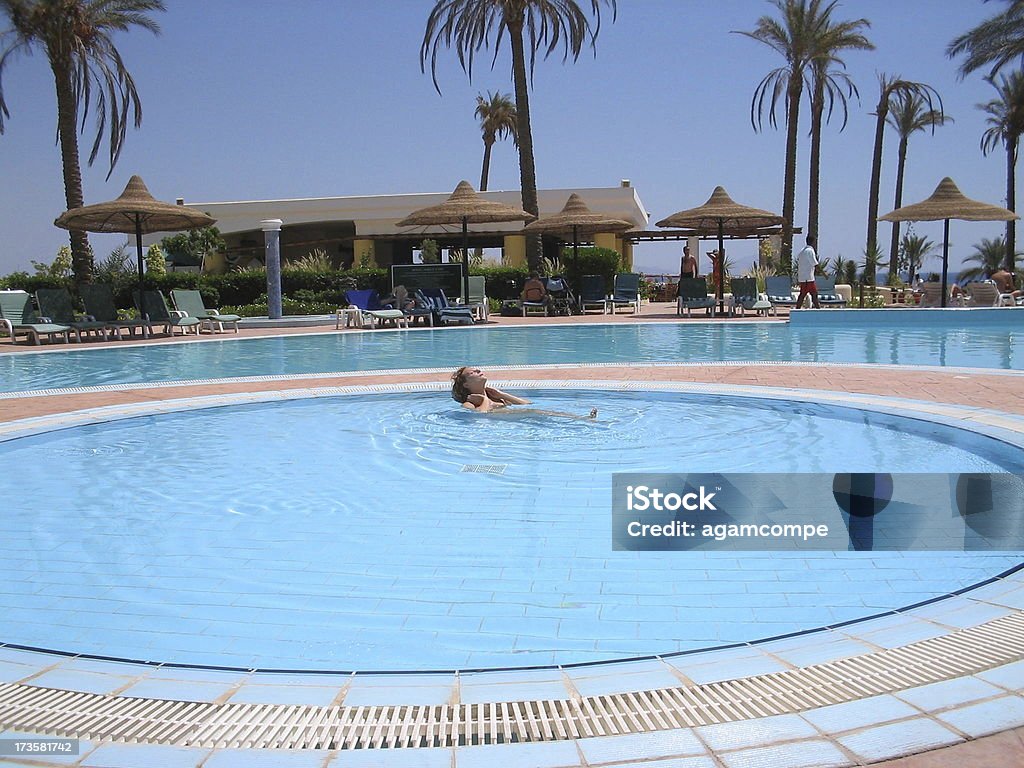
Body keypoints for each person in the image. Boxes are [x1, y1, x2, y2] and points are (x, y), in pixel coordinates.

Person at [451, 367, 597, 418]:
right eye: (472, 372)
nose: (478, 371)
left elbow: (527, 404)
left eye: (478, 370)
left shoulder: (495, 397)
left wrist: (501, 394)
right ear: (466, 384)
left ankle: (581, 418)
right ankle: (582, 419)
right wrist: (483, 401)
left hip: (524, 416)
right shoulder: (469, 404)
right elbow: (481, 418)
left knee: (544, 412)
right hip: (510, 424)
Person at [794, 235, 821, 309]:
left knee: (810, 294)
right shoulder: (810, 251)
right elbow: (815, 263)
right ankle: (818, 310)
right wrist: (824, 274)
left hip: (803, 277)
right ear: (813, 242)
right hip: (808, 278)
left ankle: (818, 310)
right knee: (807, 294)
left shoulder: (802, 251)